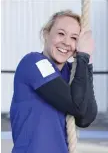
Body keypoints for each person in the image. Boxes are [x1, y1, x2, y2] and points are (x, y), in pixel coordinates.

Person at [10, 10, 97, 153]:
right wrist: (82, 57)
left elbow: (85, 118)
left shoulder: (72, 72)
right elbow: (76, 106)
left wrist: (87, 64)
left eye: (74, 38)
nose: (67, 42)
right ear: (46, 34)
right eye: (61, 34)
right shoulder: (33, 62)